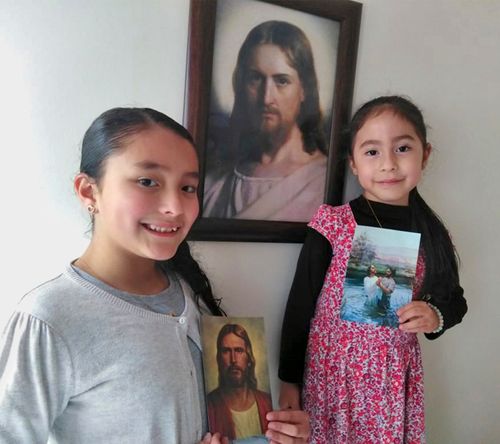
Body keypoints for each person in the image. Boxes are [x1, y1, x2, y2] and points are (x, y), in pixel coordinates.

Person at [0, 107, 310, 444]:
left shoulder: (187, 290)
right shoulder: (49, 319)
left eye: (188, 188)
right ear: (89, 192)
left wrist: (271, 436)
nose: (175, 207)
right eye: (148, 181)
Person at [278, 96, 468, 442]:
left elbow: (454, 300)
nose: (388, 165)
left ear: (425, 154)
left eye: (402, 148)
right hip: (331, 382)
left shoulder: (432, 235)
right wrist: (288, 381)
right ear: (352, 163)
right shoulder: (332, 224)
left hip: (392, 384)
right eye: (372, 152)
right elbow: (299, 307)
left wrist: (434, 315)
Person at [203, 20, 328, 222]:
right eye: (255, 79)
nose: (266, 98)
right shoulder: (215, 182)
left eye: (282, 81)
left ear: (304, 88)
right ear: (241, 84)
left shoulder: (322, 180)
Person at [207, 324, 272, 441]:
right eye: (226, 351)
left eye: (239, 350)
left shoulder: (266, 402)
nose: (233, 359)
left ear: (249, 357)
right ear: (219, 359)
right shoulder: (210, 406)